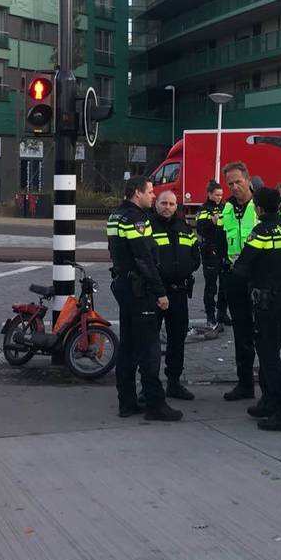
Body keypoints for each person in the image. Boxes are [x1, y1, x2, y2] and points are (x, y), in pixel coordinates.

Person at [107, 177, 181, 422]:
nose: (153, 196)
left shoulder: (115, 216)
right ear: (137, 193)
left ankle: (126, 402)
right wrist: (160, 292)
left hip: (124, 287)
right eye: (150, 192)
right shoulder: (137, 219)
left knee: (127, 346)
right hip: (140, 291)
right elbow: (144, 258)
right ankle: (155, 404)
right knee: (149, 348)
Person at [232, 187, 281, 432]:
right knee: (270, 352)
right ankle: (269, 402)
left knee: (269, 358)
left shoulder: (261, 231)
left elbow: (242, 266)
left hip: (267, 302)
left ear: (259, 208)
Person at [150, 190, 200, 401]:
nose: (167, 207)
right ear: (156, 205)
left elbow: (195, 255)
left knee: (177, 339)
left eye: (171, 204)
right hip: (156, 291)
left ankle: (174, 382)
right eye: (164, 203)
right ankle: (149, 386)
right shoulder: (148, 227)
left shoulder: (184, 228)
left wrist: (187, 268)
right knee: (151, 341)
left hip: (179, 291)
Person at [220, 162, 258, 401]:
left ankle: (267, 383)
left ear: (248, 179)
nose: (234, 187)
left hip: (258, 278)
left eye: (238, 182)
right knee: (242, 334)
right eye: (230, 183)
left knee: (262, 334)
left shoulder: (259, 206)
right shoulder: (227, 208)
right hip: (235, 277)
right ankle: (245, 384)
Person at [196, 182, 229, 328]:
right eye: (216, 195)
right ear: (209, 194)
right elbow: (200, 229)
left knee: (225, 284)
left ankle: (222, 314)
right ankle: (210, 316)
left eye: (221, 195)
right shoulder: (204, 209)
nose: (219, 198)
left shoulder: (224, 207)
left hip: (223, 250)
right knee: (211, 286)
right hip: (209, 250)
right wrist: (212, 221)